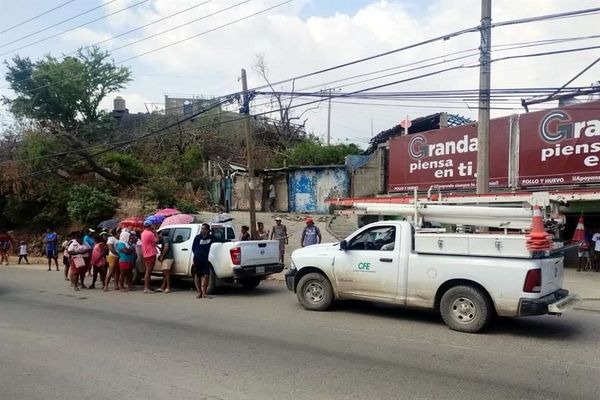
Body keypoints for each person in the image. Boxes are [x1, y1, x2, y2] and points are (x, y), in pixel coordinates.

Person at [192, 223, 214, 299]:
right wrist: (196, 255)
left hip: (206, 259)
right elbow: (193, 248)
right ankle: (199, 293)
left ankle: (204, 292)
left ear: (208, 230)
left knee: (206, 275)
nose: (203, 230)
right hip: (197, 258)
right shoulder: (197, 237)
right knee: (198, 275)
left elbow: (220, 240)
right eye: (202, 229)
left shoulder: (211, 237)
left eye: (204, 229)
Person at [141, 222, 158, 293]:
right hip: (150, 253)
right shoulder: (150, 233)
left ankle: (148, 286)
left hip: (146, 253)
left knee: (148, 271)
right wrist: (155, 233)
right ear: (150, 226)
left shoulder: (143, 233)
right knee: (148, 271)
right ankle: (146, 288)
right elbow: (156, 240)